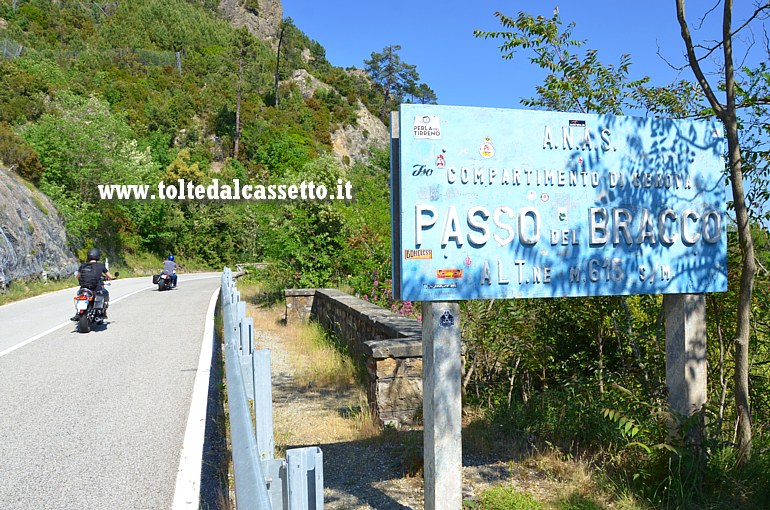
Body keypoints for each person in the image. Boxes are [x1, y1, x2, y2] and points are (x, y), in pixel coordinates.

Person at [73, 247, 116, 320]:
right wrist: (112, 277)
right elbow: (110, 276)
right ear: (98, 256)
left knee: (80, 295)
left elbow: (77, 276)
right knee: (104, 293)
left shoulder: (83, 266)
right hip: (95, 288)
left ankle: (78, 313)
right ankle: (101, 313)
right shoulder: (101, 266)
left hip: (84, 288)